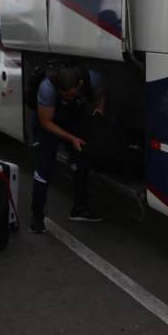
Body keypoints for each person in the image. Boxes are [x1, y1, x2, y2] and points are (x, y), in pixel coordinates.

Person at [29, 65, 107, 232]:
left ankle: (79, 209)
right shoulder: (47, 88)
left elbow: (101, 95)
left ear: (79, 85)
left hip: (70, 117)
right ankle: (37, 219)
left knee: (83, 158)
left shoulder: (93, 78)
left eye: (69, 93)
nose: (65, 96)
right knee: (43, 168)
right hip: (47, 120)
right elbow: (46, 122)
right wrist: (72, 139)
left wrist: (99, 109)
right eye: (62, 94)